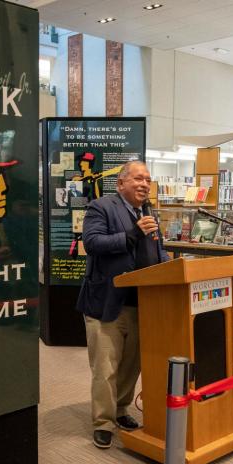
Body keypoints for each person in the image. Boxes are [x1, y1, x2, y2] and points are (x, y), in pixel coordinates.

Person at [76, 160, 169, 448]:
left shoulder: (149, 213)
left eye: (148, 180)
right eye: (138, 179)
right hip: (107, 303)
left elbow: (158, 251)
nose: (144, 184)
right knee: (105, 367)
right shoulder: (101, 207)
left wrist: (171, 267)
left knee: (131, 365)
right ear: (121, 183)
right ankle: (103, 421)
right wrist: (132, 234)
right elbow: (91, 243)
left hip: (143, 303)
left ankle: (121, 409)